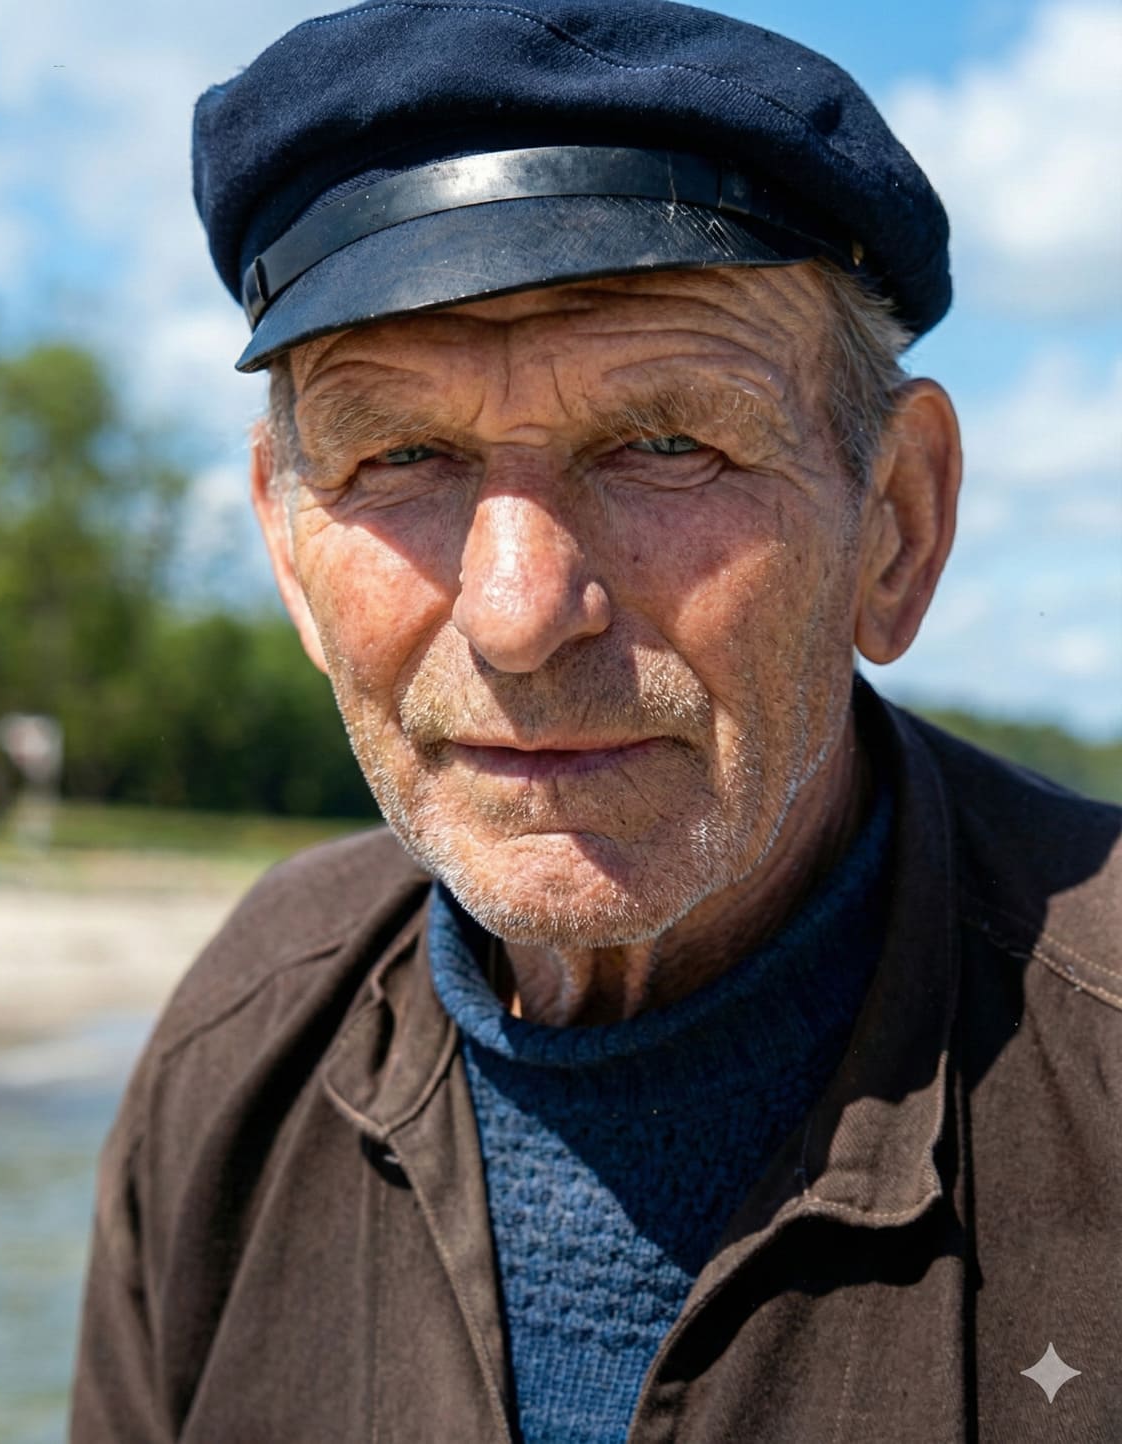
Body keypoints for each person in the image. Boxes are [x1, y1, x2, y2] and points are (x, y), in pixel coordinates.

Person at [71, 2, 1121, 1439]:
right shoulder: (239, 1042)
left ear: (896, 524)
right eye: (403, 453)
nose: (517, 609)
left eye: (667, 443)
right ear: (288, 549)